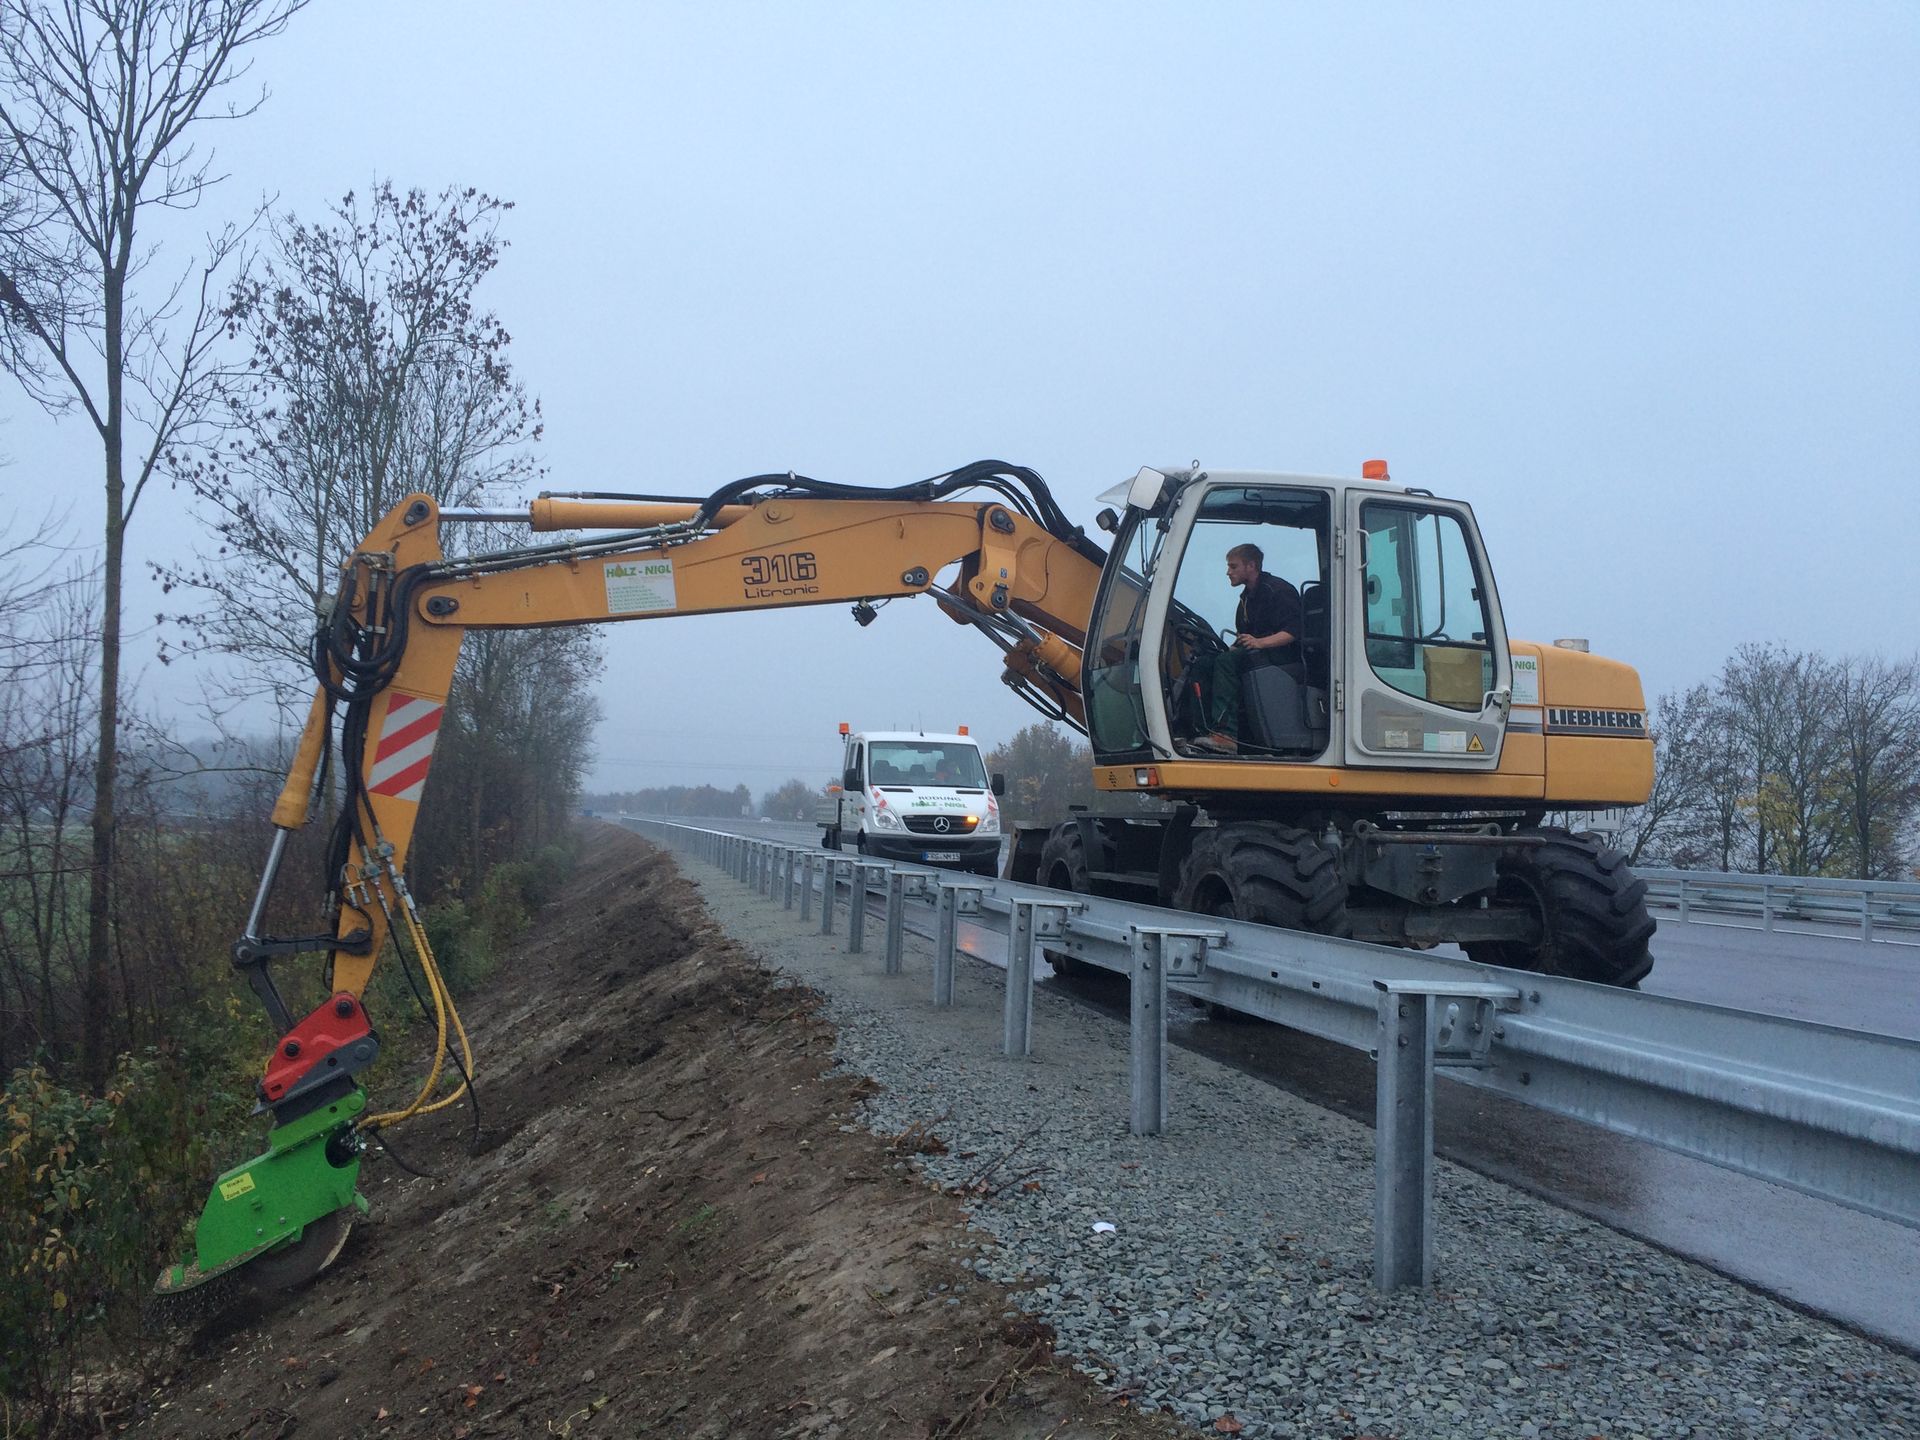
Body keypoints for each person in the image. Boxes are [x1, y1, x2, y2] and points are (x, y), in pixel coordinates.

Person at [1186, 542, 1303, 756]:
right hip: (1257, 652)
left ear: (1251, 566)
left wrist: (1259, 643)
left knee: (1226, 663)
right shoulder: (1246, 598)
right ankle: (1203, 731)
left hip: (1282, 655)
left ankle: (1227, 735)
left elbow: (1293, 631)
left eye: (1233, 567)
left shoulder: (1278, 590)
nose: (1228, 572)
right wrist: (1232, 647)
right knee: (1205, 663)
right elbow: (1244, 635)